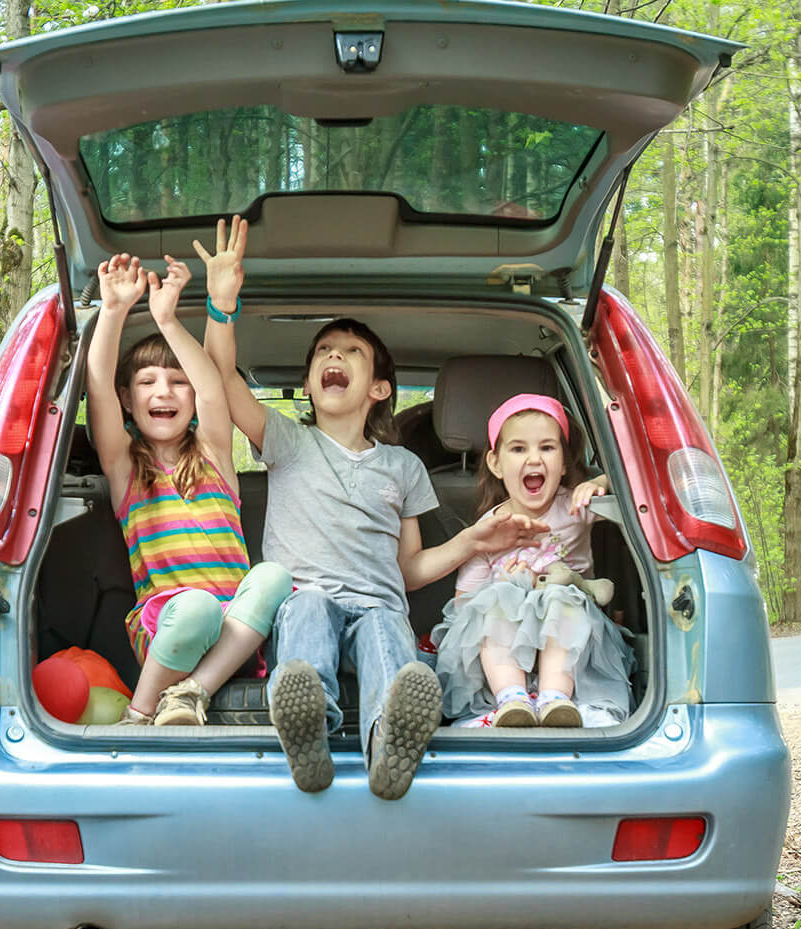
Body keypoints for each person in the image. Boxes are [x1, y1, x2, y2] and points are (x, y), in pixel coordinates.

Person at [197, 217, 547, 798]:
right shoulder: (287, 440)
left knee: (388, 626)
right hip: (306, 597)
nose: (334, 355)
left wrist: (472, 541)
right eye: (324, 351)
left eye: (352, 351)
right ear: (309, 383)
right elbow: (223, 380)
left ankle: (390, 743)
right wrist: (221, 305)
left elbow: (407, 569)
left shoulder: (403, 466)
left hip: (379, 604)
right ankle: (307, 725)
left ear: (380, 388)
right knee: (307, 608)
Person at [86, 250, 291, 727]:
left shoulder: (214, 456)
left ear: (193, 399)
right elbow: (97, 387)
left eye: (178, 382)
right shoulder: (125, 470)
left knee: (274, 577)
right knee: (197, 607)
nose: (164, 392)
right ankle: (140, 713)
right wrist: (113, 310)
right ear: (127, 399)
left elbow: (214, 389)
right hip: (168, 627)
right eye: (148, 382)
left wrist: (168, 320)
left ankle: (191, 692)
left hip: (235, 633)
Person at [431, 394, 633, 729]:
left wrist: (599, 482)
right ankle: (512, 700)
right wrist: (502, 587)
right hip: (503, 661)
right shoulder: (488, 529)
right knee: (497, 598)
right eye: (518, 448)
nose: (534, 458)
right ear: (496, 463)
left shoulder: (576, 507)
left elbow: (634, 477)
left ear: (564, 463)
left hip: (570, 646)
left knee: (562, 598)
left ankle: (555, 699)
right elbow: (464, 606)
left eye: (547, 448)